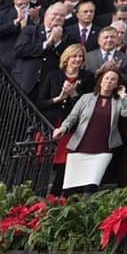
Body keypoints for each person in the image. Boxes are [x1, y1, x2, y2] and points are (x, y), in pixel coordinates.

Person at [52, 65, 127, 192]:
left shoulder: (118, 101)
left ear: (117, 84)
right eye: (107, 78)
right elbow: (72, 117)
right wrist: (63, 128)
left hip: (103, 149)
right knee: (72, 187)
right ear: (101, 81)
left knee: (92, 186)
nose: (109, 81)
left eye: (113, 79)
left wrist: (123, 96)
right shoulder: (86, 98)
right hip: (81, 145)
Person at [37, 43, 95, 193]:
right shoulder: (53, 75)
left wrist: (74, 94)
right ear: (66, 59)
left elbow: (89, 105)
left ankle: (60, 196)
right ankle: (40, 194)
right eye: (74, 56)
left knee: (66, 163)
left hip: (72, 127)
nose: (77, 59)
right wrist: (59, 98)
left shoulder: (88, 77)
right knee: (45, 162)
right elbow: (40, 102)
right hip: (52, 124)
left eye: (80, 56)